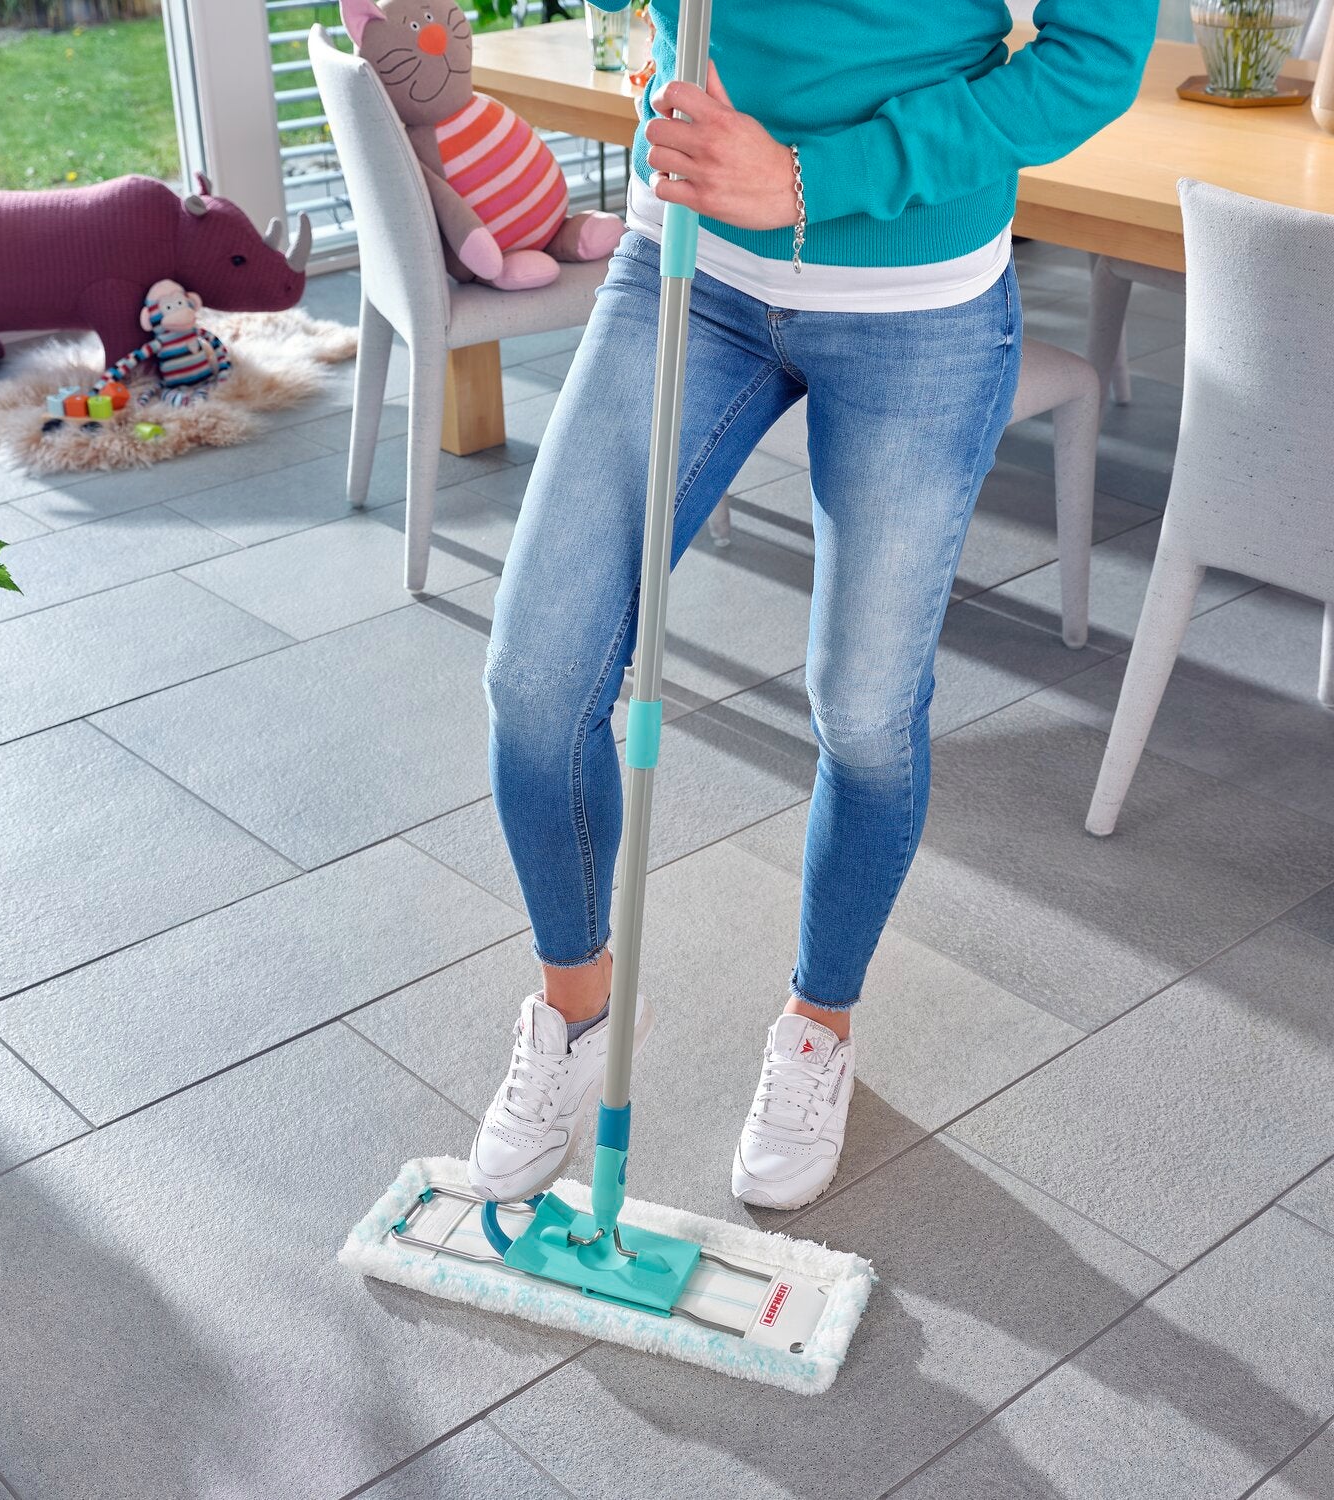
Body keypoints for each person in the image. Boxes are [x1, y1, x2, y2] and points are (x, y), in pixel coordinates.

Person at [469, 0, 1155, 1211]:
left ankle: (816, 1024)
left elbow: (1091, 63)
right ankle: (572, 1010)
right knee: (536, 680)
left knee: (864, 709)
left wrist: (807, 174)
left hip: (916, 306)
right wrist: (650, 59)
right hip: (688, 270)